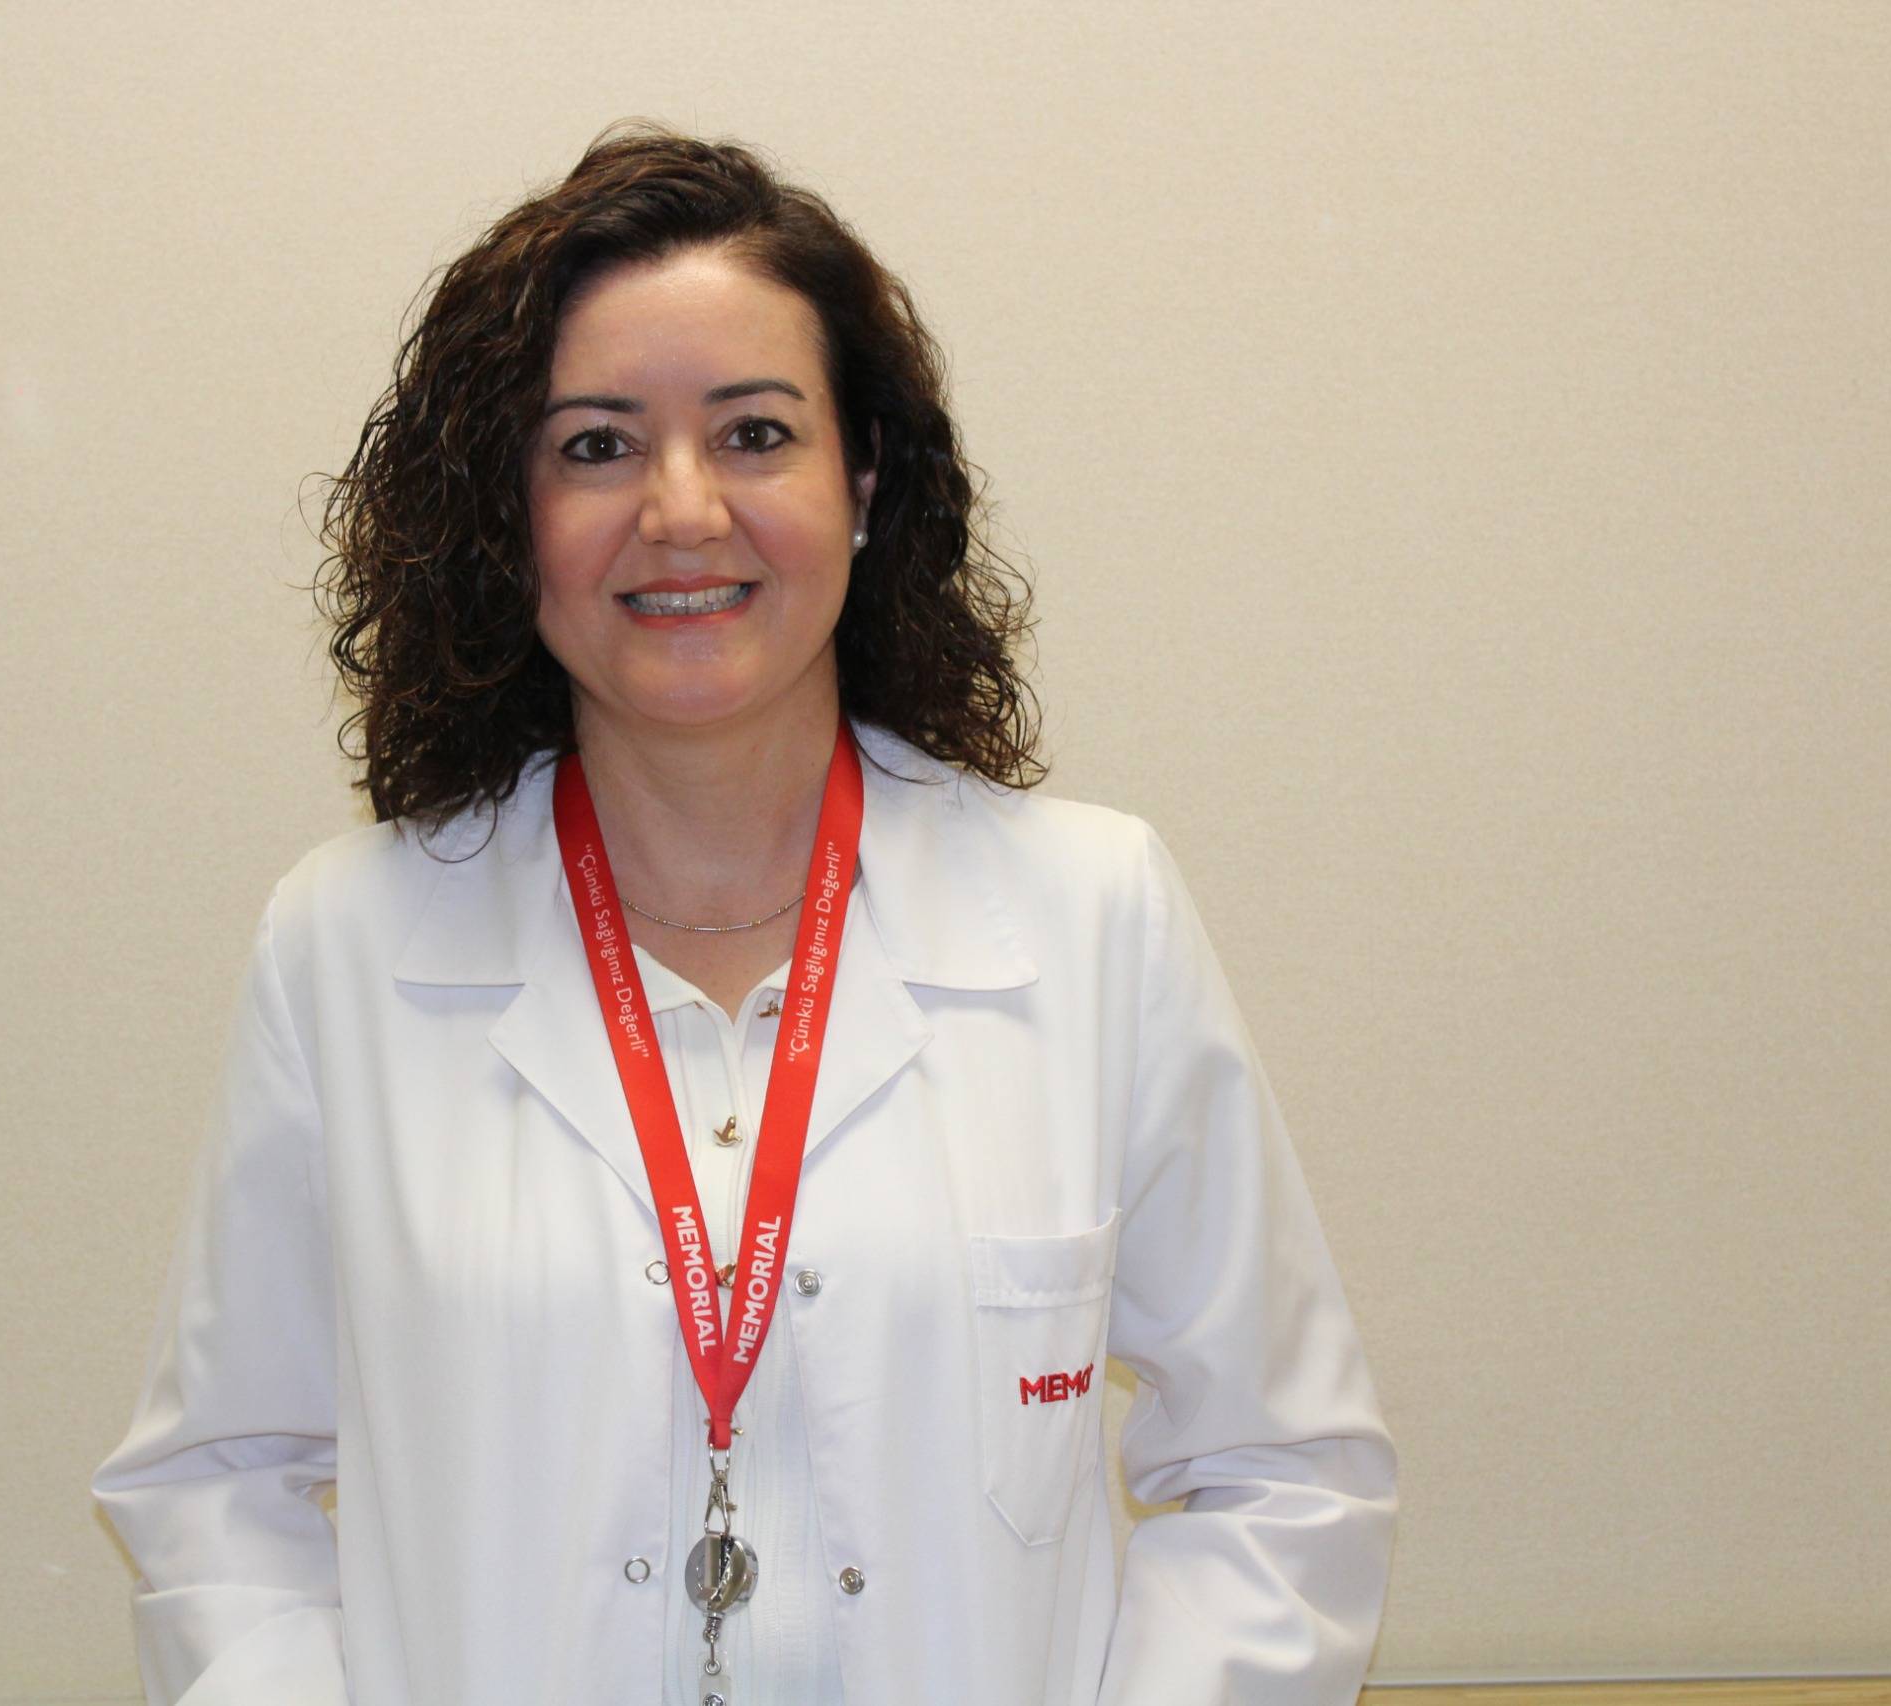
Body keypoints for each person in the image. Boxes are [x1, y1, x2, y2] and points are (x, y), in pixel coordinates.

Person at [90, 121, 1397, 1705]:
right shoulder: (348, 949)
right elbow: (219, 1487)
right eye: (596, 446)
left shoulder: (1091, 918)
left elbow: (1280, 1474)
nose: (683, 508)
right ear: (510, 518)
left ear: (863, 483)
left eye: (755, 433)